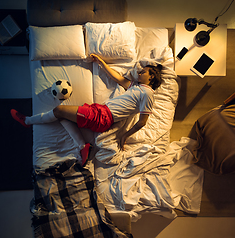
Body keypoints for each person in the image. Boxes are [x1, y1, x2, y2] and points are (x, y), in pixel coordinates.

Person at [11, 54, 163, 165]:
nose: (140, 72)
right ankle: (83, 146)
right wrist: (101, 62)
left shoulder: (148, 93)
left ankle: (27, 121)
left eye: (144, 72)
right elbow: (117, 78)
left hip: (104, 116)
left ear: (151, 78)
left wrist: (125, 136)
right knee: (63, 115)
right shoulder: (136, 87)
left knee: (59, 110)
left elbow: (142, 122)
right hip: (100, 111)